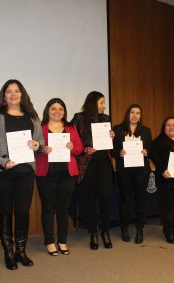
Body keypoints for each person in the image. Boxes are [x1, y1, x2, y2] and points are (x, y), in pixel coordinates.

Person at [0, 79, 44, 270]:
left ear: (22, 94)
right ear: (4, 95)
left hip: (26, 171)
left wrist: (37, 145)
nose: (13, 94)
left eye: (17, 91)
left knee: (23, 212)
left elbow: (40, 140)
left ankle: (21, 251)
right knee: (6, 210)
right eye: (9, 92)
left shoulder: (32, 116)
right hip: (3, 171)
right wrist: (2, 162)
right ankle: (8, 252)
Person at [35, 98, 84, 256]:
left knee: (63, 209)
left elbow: (79, 148)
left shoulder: (71, 127)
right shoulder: (39, 127)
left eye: (61, 109)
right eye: (53, 109)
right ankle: (49, 241)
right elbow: (33, 147)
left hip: (67, 175)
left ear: (64, 111)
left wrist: (72, 148)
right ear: (47, 111)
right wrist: (42, 149)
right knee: (48, 208)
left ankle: (62, 241)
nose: (57, 112)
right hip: (45, 174)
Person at [71, 91, 115, 250]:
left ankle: (105, 231)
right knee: (89, 198)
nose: (104, 106)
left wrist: (112, 135)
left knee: (105, 197)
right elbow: (72, 140)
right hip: (87, 163)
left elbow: (110, 143)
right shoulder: (79, 118)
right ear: (93, 103)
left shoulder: (106, 118)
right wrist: (84, 149)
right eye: (102, 102)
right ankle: (93, 232)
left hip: (104, 162)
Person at [112, 104, 152, 244]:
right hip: (124, 171)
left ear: (140, 116)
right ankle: (124, 228)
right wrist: (119, 153)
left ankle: (140, 228)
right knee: (125, 201)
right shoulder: (117, 129)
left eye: (138, 113)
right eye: (132, 112)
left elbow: (151, 149)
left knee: (140, 200)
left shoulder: (146, 130)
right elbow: (112, 150)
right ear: (127, 114)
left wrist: (147, 152)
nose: (135, 115)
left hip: (141, 171)